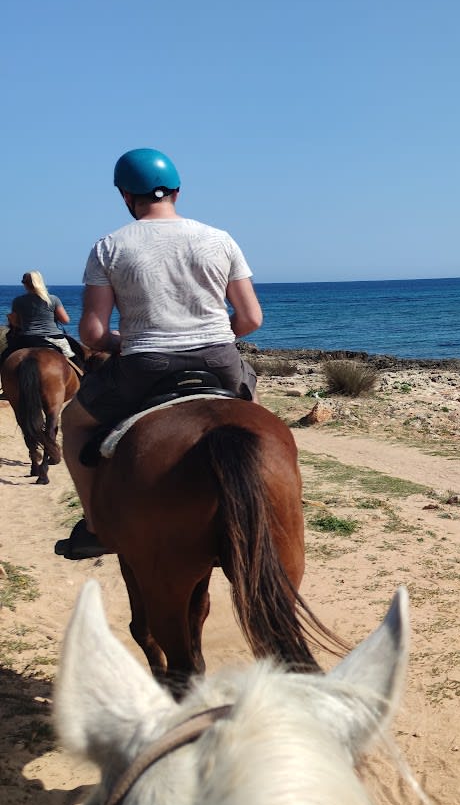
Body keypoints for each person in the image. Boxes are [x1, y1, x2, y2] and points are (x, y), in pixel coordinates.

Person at [55, 148, 264, 560]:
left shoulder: (109, 247)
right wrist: (216, 337)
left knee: (73, 422)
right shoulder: (219, 239)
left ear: (125, 195)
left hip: (145, 366)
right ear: (177, 192)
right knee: (256, 419)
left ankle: (95, 526)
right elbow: (251, 318)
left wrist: (120, 342)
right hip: (219, 361)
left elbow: (92, 333)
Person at [2, 271, 86, 367]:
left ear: (25, 284)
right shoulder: (53, 299)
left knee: (5, 358)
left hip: (27, 339)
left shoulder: (18, 301)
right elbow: (65, 320)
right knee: (74, 360)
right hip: (53, 338)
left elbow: (15, 323)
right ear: (40, 282)